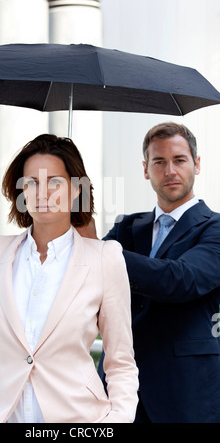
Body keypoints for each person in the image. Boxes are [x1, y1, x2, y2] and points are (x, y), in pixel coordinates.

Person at [0, 133, 138, 423]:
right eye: (32, 182)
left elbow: (121, 361)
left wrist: (115, 421)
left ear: (76, 190)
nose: (42, 193)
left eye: (55, 182)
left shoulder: (105, 258)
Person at [97, 122, 220, 423]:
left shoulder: (214, 228)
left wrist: (101, 252)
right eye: (159, 162)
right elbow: (89, 276)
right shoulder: (127, 227)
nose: (170, 171)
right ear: (145, 169)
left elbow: (180, 279)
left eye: (179, 160)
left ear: (197, 164)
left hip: (184, 391)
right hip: (118, 389)